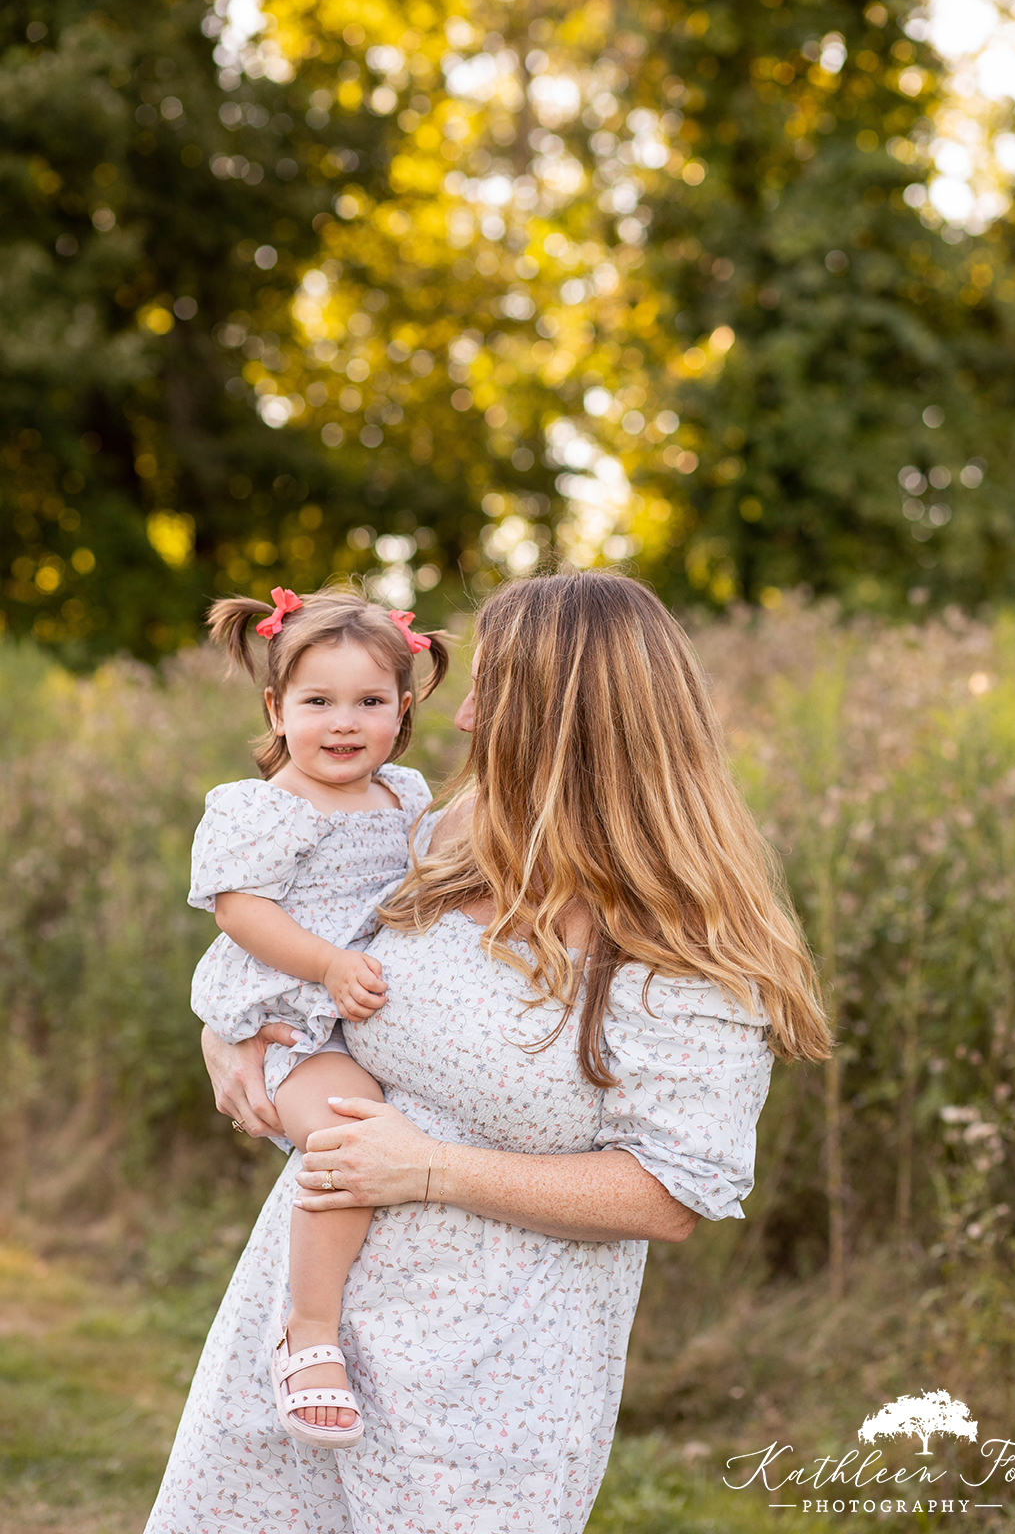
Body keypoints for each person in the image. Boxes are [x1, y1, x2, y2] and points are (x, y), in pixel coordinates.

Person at [145, 571, 832, 1534]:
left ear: (569, 723)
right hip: (304, 1333)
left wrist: (429, 1169)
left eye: (491, 694)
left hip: (486, 1378)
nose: (461, 718)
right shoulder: (450, 833)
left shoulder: (681, 946)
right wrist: (227, 1035)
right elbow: (301, 949)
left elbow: (670, 1193)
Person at [188, 582, 447, 1447]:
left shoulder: (405, 796)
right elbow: (242, 913)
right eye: (317, 702)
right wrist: (330, 965)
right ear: (276, 708)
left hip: (359, 1018)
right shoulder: (263, 807)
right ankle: (308, 1334)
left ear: (402, 711)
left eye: (369, 702)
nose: (343, 723)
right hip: (294, 1021)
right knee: (347, 1140)